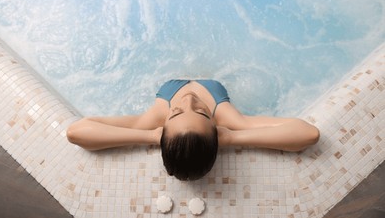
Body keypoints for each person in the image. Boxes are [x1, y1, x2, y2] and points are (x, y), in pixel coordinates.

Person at [67, 79, 320, 181]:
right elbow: (308, 133)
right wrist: (233, 136)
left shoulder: (154, 119)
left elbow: (76, 132)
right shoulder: (229, 119)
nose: (188, 99)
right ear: (216, 127)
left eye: (175, 114)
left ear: (164, 127)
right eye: (201, 113)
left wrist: (150, 135)